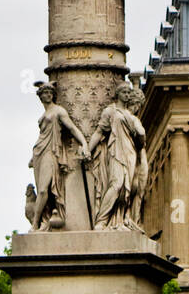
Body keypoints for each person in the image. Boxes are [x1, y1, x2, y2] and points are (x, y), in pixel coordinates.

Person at [86, 82, 147, 230]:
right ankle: (101, 220)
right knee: (116, 184)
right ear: (117, 94)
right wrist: (88, 149)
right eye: (124, 92)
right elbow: (99, 132)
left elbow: (141, 138)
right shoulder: (110, 112)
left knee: (126, 189)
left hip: (130, 153)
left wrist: (140, 134)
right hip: (116, 151)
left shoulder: (131, 117)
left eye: (128, 92)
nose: (127, 95)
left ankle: (120, 219)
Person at [30, 82, 90, 229]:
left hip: (52, 151)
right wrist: (32, 157)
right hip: (39, 151)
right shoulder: (44, 114)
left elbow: (72, 128)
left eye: (50, 92)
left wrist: (84, 143)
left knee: (44, 189)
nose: (48, 95)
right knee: (41, 189)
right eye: (45, 92)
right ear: (40, 96)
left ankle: (35, 223)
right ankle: (45, 219)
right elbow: (42, 135)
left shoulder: (58, 111)